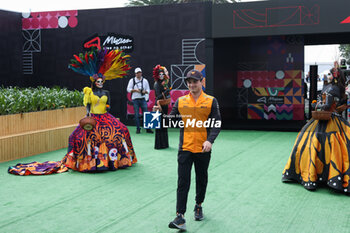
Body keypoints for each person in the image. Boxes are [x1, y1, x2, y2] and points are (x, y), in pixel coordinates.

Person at [8, 48, 137, 175]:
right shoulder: (89, 91)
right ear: (94, 82)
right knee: (76, 136)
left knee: (122, 130)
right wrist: (88, 113)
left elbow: (109, 105)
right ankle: (86, 162)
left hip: (105, 117)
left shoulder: (106, 92)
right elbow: (87, 105)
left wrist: (107, 110)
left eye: (102, 81)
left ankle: (118, 160)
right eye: (98, 81)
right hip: (92, 118)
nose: (100, 83)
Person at [154, 70, 221, 231]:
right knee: (183, 181)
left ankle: (198, 205)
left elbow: (216, 123)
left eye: (195, 81)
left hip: (203, 149)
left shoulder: (211, 101)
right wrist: (160, 113)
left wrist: (209, 140)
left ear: (201, 82)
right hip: (185, 148)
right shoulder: (181, 101)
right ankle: (180, 216)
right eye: (189, 82)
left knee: (201, 178)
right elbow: (171, 121)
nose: (191, 85)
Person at [282, 61, 350, 194]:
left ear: (335, 76)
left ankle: (316, 174)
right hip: (335, 119)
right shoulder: (339, 89)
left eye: (330, 74)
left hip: (327, 120)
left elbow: (326, 106)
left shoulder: (332, 89)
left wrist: (316, 106)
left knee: (315, 145)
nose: (328, 76)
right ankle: (331, 175)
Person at [127, 67, 153, 134]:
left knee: (146, 114)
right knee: (136, 115)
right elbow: (128, 89)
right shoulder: (132, 80)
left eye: (139, 72)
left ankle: (148, 128)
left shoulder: (145, 81)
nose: (138, 74)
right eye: (137, 73)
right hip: (135, 100)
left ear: (141, 73)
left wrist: (144, 92)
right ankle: (138, 128)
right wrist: (135, 90)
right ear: (135, 74)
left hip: (143, 99)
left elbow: (148, 90)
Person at [153, 64, 171, 149]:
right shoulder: (156, 84)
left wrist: (167, 92)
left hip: (165, 105)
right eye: (159, 74)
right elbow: (157, 97)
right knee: (159, 125)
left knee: (164, 124)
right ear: (157, 75)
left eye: (162, 74)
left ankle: (165, 144)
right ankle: (159, 145)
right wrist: (166, 92)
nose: (161, 76)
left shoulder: (164, 83)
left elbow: (166, 94)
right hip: (159, 106)